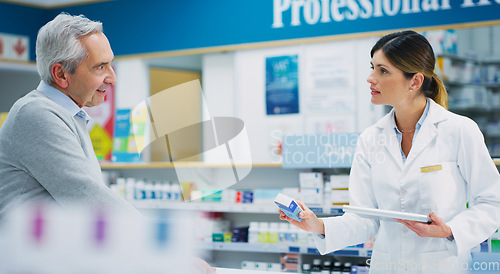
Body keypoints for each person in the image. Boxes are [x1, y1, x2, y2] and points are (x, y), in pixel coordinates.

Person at [0, 13, 215, 273]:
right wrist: (163, 251)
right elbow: (86, 195)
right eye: (100, 67)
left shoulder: (70, 116)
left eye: (110, 65)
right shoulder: (36, 114)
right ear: (61, 74)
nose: (112, 77)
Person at [279, 30, 500, 273]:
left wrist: (450, 231)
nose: (370, 78)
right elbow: (365, 217)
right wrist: (319, 226)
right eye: (372, 67)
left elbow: (492, 202)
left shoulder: (459, 130)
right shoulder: (370, 139)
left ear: (414, 82)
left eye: (383, 71)